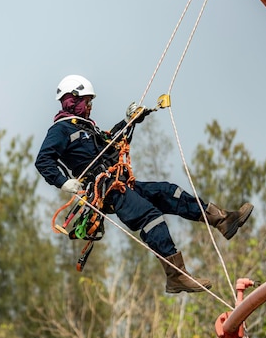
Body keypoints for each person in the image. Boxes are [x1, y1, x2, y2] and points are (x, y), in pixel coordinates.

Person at [35, 74, 254, 293]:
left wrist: (129, 120)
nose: (90, 106)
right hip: (108, 191)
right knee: (150, 217)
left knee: (168, 192)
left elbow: (110, 145)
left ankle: (222, 220)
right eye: (87, 101)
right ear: (73, 99)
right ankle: (175, 275)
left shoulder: (87, 127)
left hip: (119, 184)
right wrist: (64, 183)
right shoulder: (61, 130)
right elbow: (43, 160)